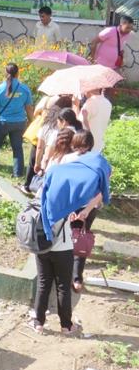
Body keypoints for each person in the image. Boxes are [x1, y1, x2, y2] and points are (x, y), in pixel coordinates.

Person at [32, 149, 111, 335]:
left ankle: (38, 323)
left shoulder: (48, 189)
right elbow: (97, 194)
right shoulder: (72, 199)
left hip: (42, 244)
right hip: (63, 247)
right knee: (62, 286)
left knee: (43, 284)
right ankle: (66, 326)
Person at [63, 130, 98, 292]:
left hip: (89, 205)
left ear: (90, 146)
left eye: (84, 146)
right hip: (69, 204)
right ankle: (65, 274)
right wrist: (68, 208)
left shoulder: (97, 161)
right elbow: (63, 186)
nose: (80, 150)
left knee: (81, 239)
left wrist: (87, 209)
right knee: (65, 239)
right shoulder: (68, 159)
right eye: (77, 146)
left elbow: (101, 190)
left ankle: (77, 276)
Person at [0, 63, 33, 177]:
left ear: (5, 73)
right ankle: (18, 174)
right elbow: (29, 108)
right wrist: (31, 121)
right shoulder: (25, 89)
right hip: (19, 123)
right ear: (18, 73)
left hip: (2, 123)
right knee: (17, 148)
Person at [75, 89, 112, 154]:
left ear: (89, 90)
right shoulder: (107, 103)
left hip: (87, 144)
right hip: (99, 142)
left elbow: (78, 123)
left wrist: (76, 106)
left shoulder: (90, 102)